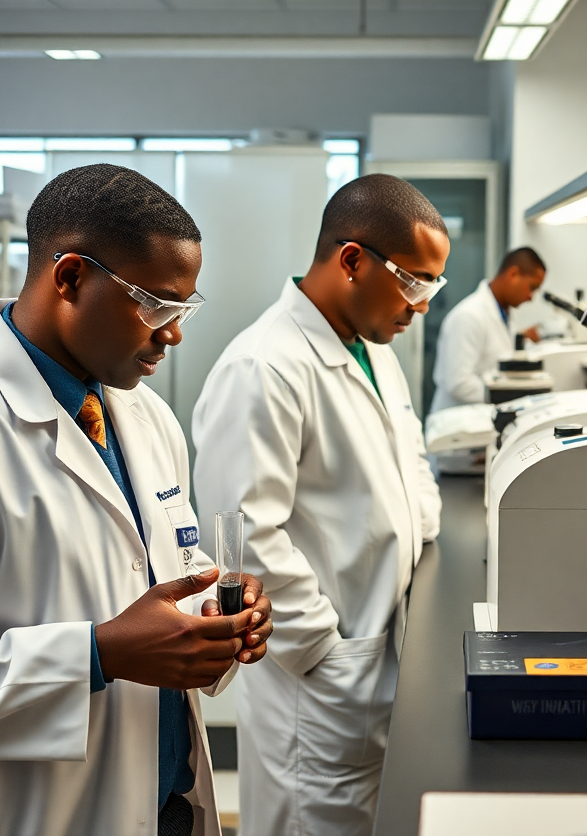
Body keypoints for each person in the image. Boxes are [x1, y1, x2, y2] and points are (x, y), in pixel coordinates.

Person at [0, 164, 273, 836]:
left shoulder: (144, 416)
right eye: (155, 304)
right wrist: (99, 655)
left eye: (184, 307)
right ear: (70, 279)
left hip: (162, 805)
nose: (173, 332)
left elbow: (148, 573)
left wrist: (212, 617)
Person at [192, 174, 448, 836]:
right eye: (414, 281)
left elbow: (409, 456)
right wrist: (323, 652)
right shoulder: (264, 366)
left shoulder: (369, 346)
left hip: (377, 647)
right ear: (353, 260)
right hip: (322, 677)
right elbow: (243, 536)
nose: (420, 306)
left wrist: (418, 524)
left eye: (431, 287)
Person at [430, 246, 546, 413]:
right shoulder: (468, 316)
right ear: (513, 274)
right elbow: (458, 383)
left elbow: (494, 352)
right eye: (532, 287)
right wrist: (510, 395)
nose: (530, 297)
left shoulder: (504, 314)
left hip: (481, 420)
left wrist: (521, 338)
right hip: (458, 425)